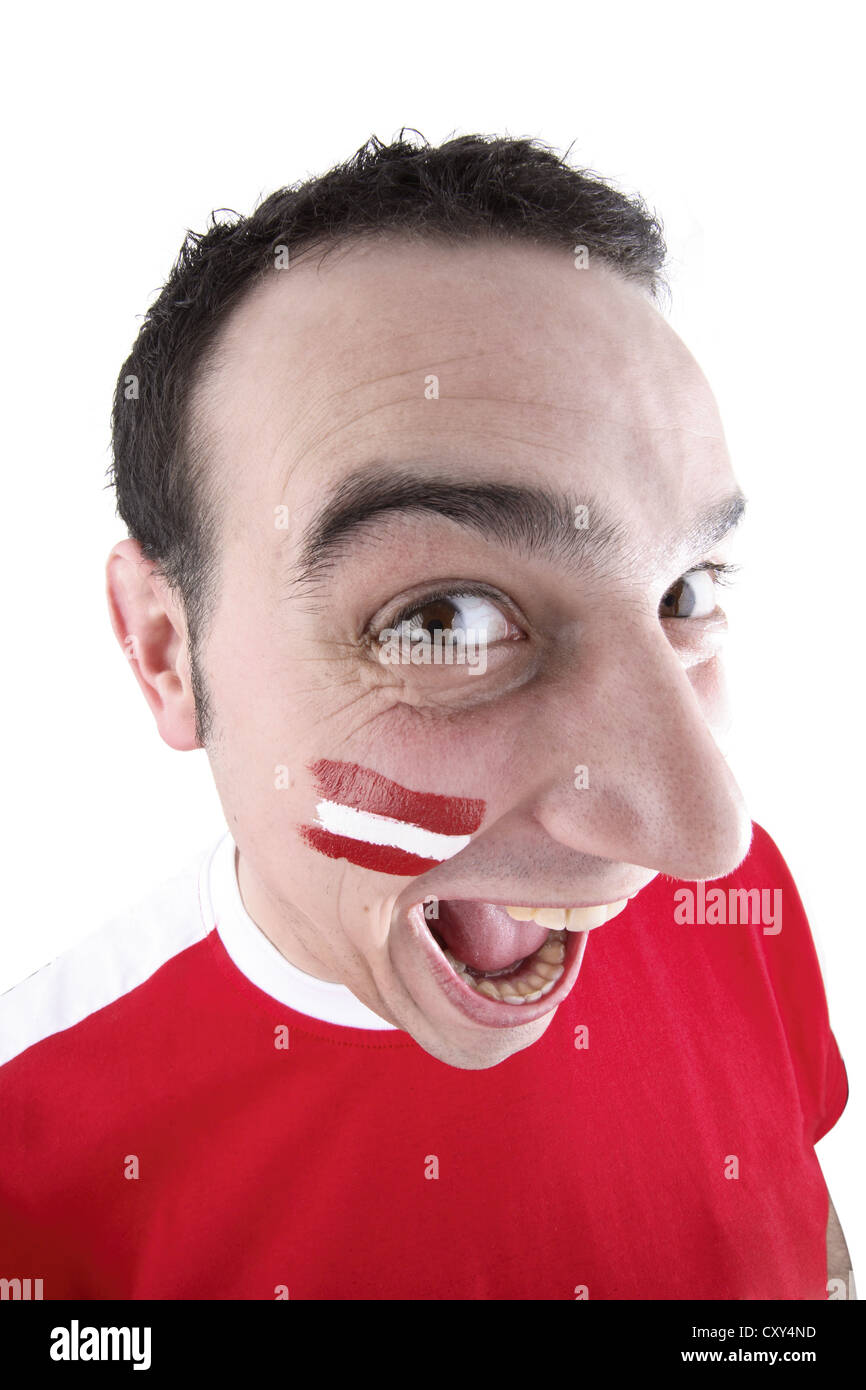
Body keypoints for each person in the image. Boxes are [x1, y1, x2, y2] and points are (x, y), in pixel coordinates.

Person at [0, 133, 852, 1300]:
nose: (698, 833)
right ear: (165, 651)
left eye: (681, 593)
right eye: (444, 618)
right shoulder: (28, 1148)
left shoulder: (736, 907)